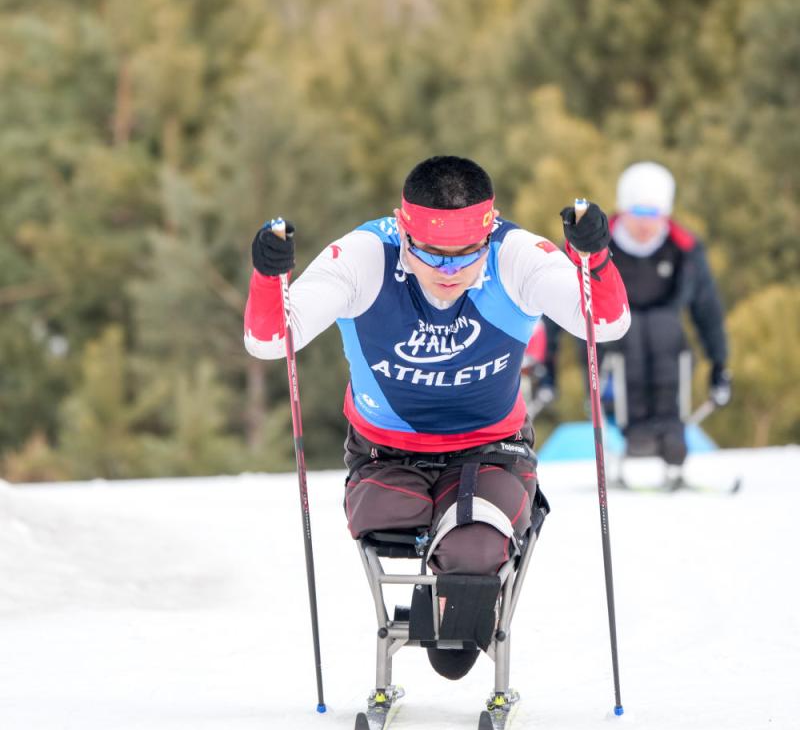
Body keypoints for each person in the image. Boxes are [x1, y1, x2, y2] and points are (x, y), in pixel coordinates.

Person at [244, 155, 629, 678]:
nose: (448, 272)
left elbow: (604, 325)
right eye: (431, 254)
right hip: (385, 453)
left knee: (455, 641)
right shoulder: (364, 257)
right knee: (386, 520)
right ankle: (452, 553)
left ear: (487, 235)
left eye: (465, 255)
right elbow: (270, 343)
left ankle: (464, 567)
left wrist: (596, 259)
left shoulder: (516, 255)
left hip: (491, 449)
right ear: (404, 234)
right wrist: (270, 277)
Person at [543, 161, 731, 473]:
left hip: (665, 342)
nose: (646, 225)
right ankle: (636, 433)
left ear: (666, 214)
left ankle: (671, 434)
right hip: (613, 343)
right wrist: (547, 365)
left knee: (661, 327)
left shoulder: (683, 250)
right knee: (632, 331)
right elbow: (557, 303)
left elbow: (707, 309)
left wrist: (719, 363)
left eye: (654, 216)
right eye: (638, 215)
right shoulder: (595, 244)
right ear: (623, 211)